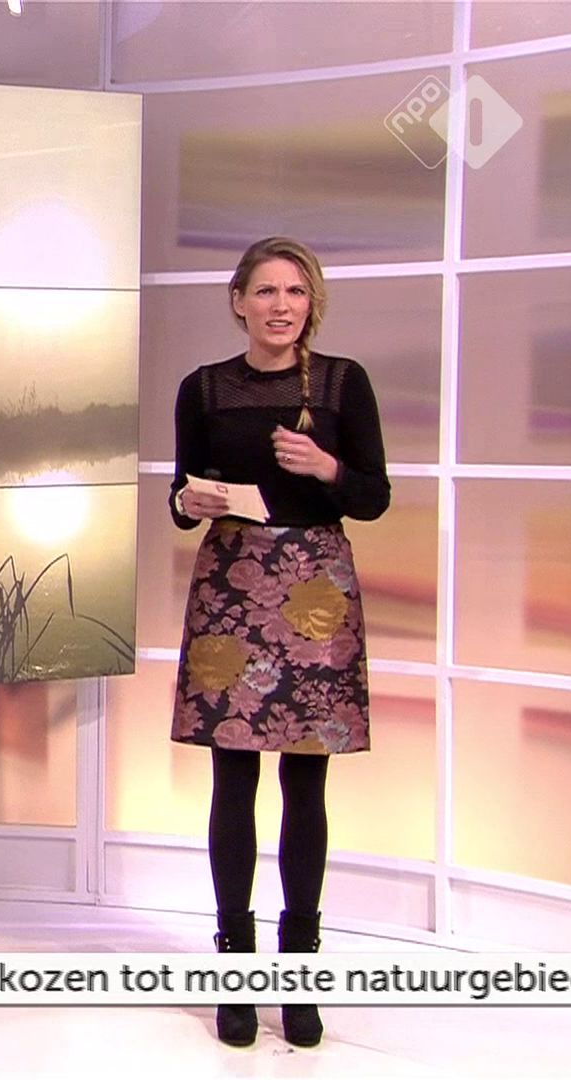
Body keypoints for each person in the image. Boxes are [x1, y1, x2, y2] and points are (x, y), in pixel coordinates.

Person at [167, 236, 390, 1049]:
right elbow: (181, 491)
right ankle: (235, 971)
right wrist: (187, 503)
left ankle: (299, 975)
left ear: (311, 303)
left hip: (315, 590)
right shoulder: (203, 388)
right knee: (232, 780)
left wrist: (326, 467)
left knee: (305, 783)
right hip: (231, 584)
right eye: (265, 290)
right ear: (238, 302)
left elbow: (373, 496)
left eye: (295, 291)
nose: (280, 305)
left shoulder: (341, 383)